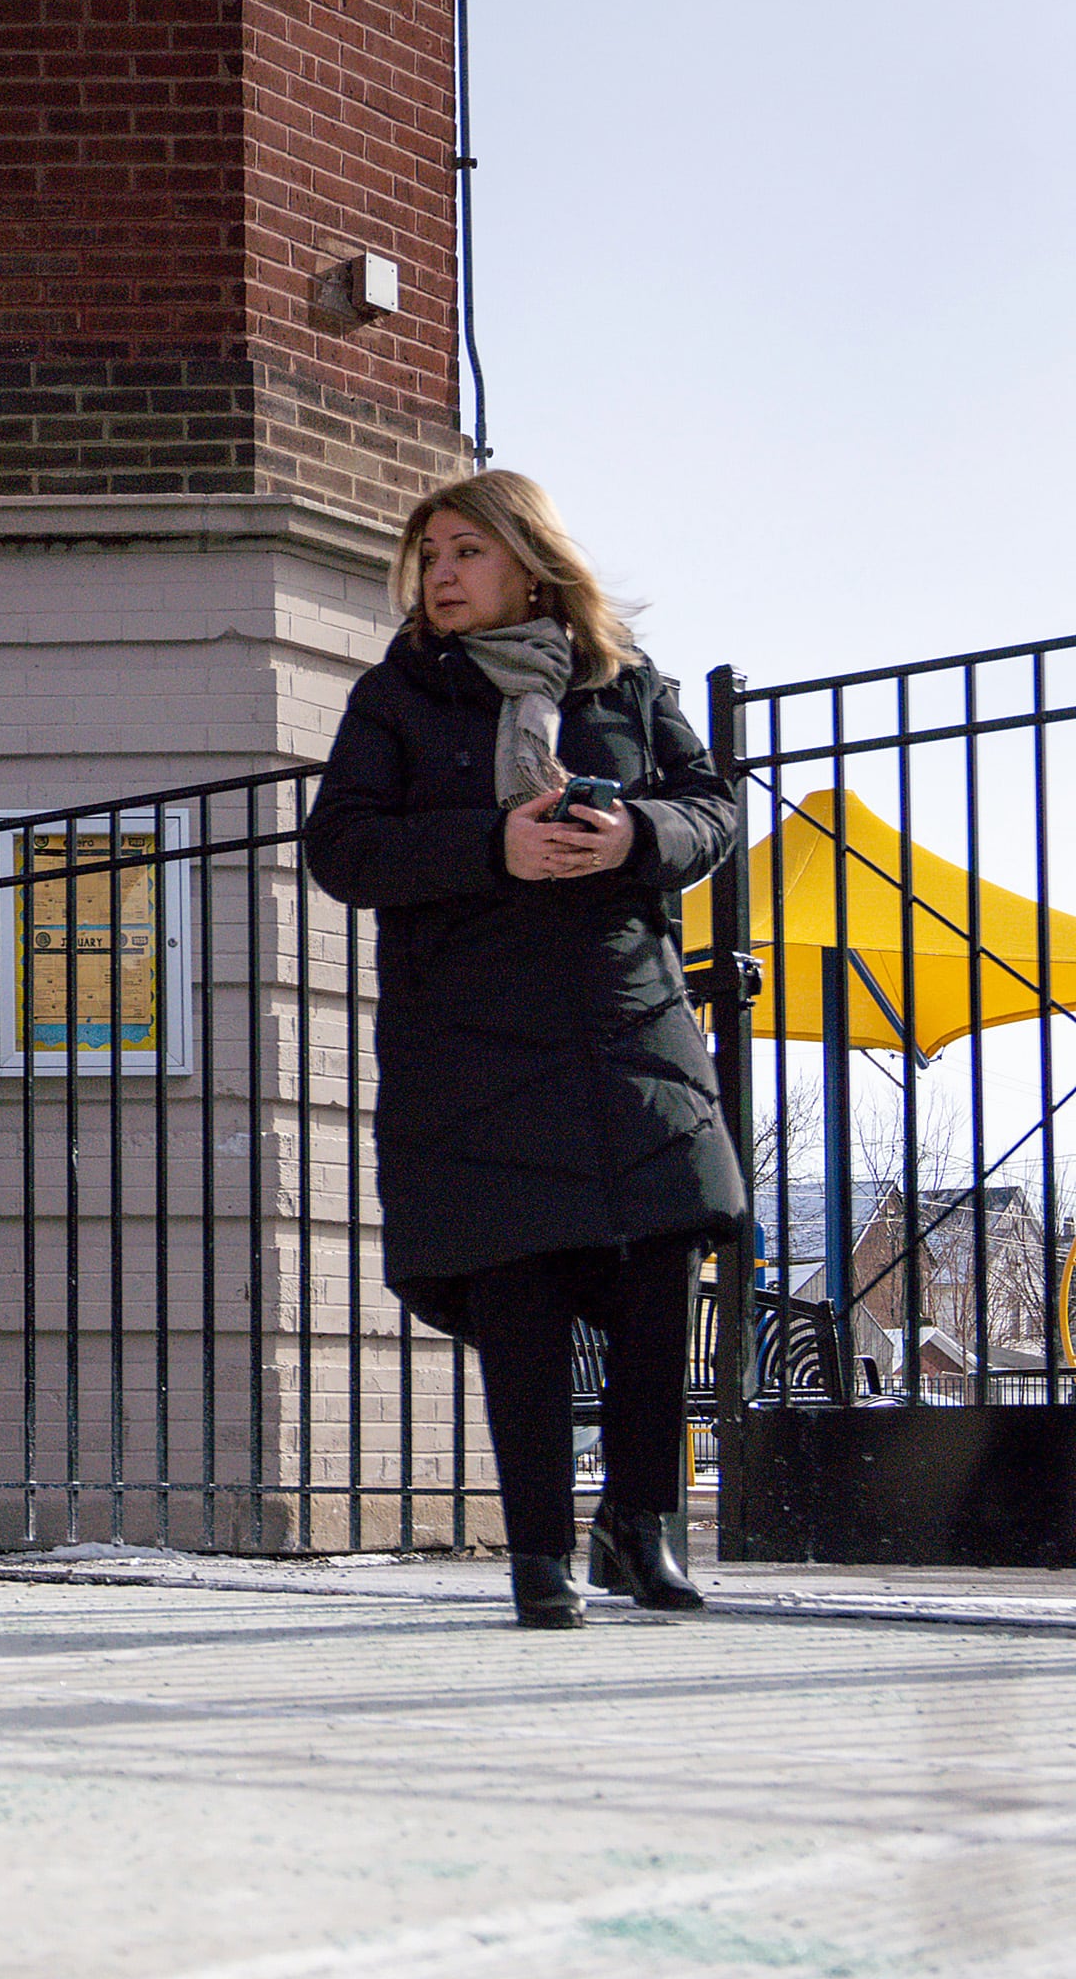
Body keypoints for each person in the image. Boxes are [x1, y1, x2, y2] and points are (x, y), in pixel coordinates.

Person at [306, 470, 743, 1630]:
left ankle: (641, 1524)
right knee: (523, 1291)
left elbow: (714, 807)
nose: (441, 574)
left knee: (662, 1267)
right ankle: (540, 1551)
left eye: (466, 552)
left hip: (626, 1020)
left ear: (530, 563)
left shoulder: (626, 682)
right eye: (431, 555)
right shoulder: (396, 696)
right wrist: (492, 842)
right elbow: (342, 848)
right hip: (473, 1038)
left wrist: (634, 832)